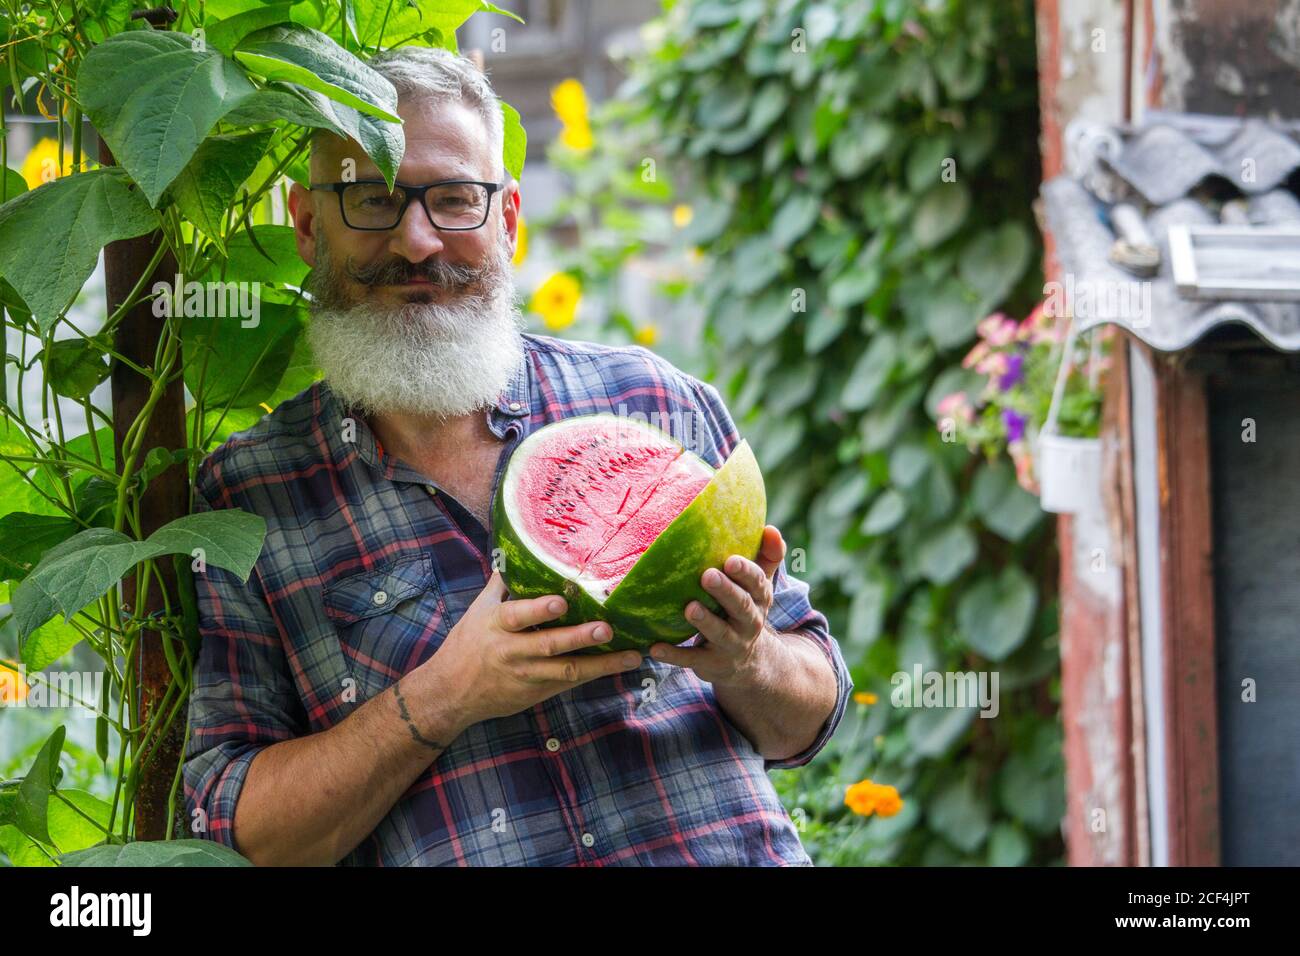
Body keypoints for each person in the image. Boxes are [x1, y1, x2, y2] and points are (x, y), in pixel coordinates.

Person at [182, 46, 852, 866]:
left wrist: (749, 660)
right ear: (307, 223)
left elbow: (810, 716)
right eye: (371, 199)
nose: (419, 240)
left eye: (456, 200)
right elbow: (240, 834)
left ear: (507, 220)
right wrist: (446, 695)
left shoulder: (657, 403)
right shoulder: (245, 500)